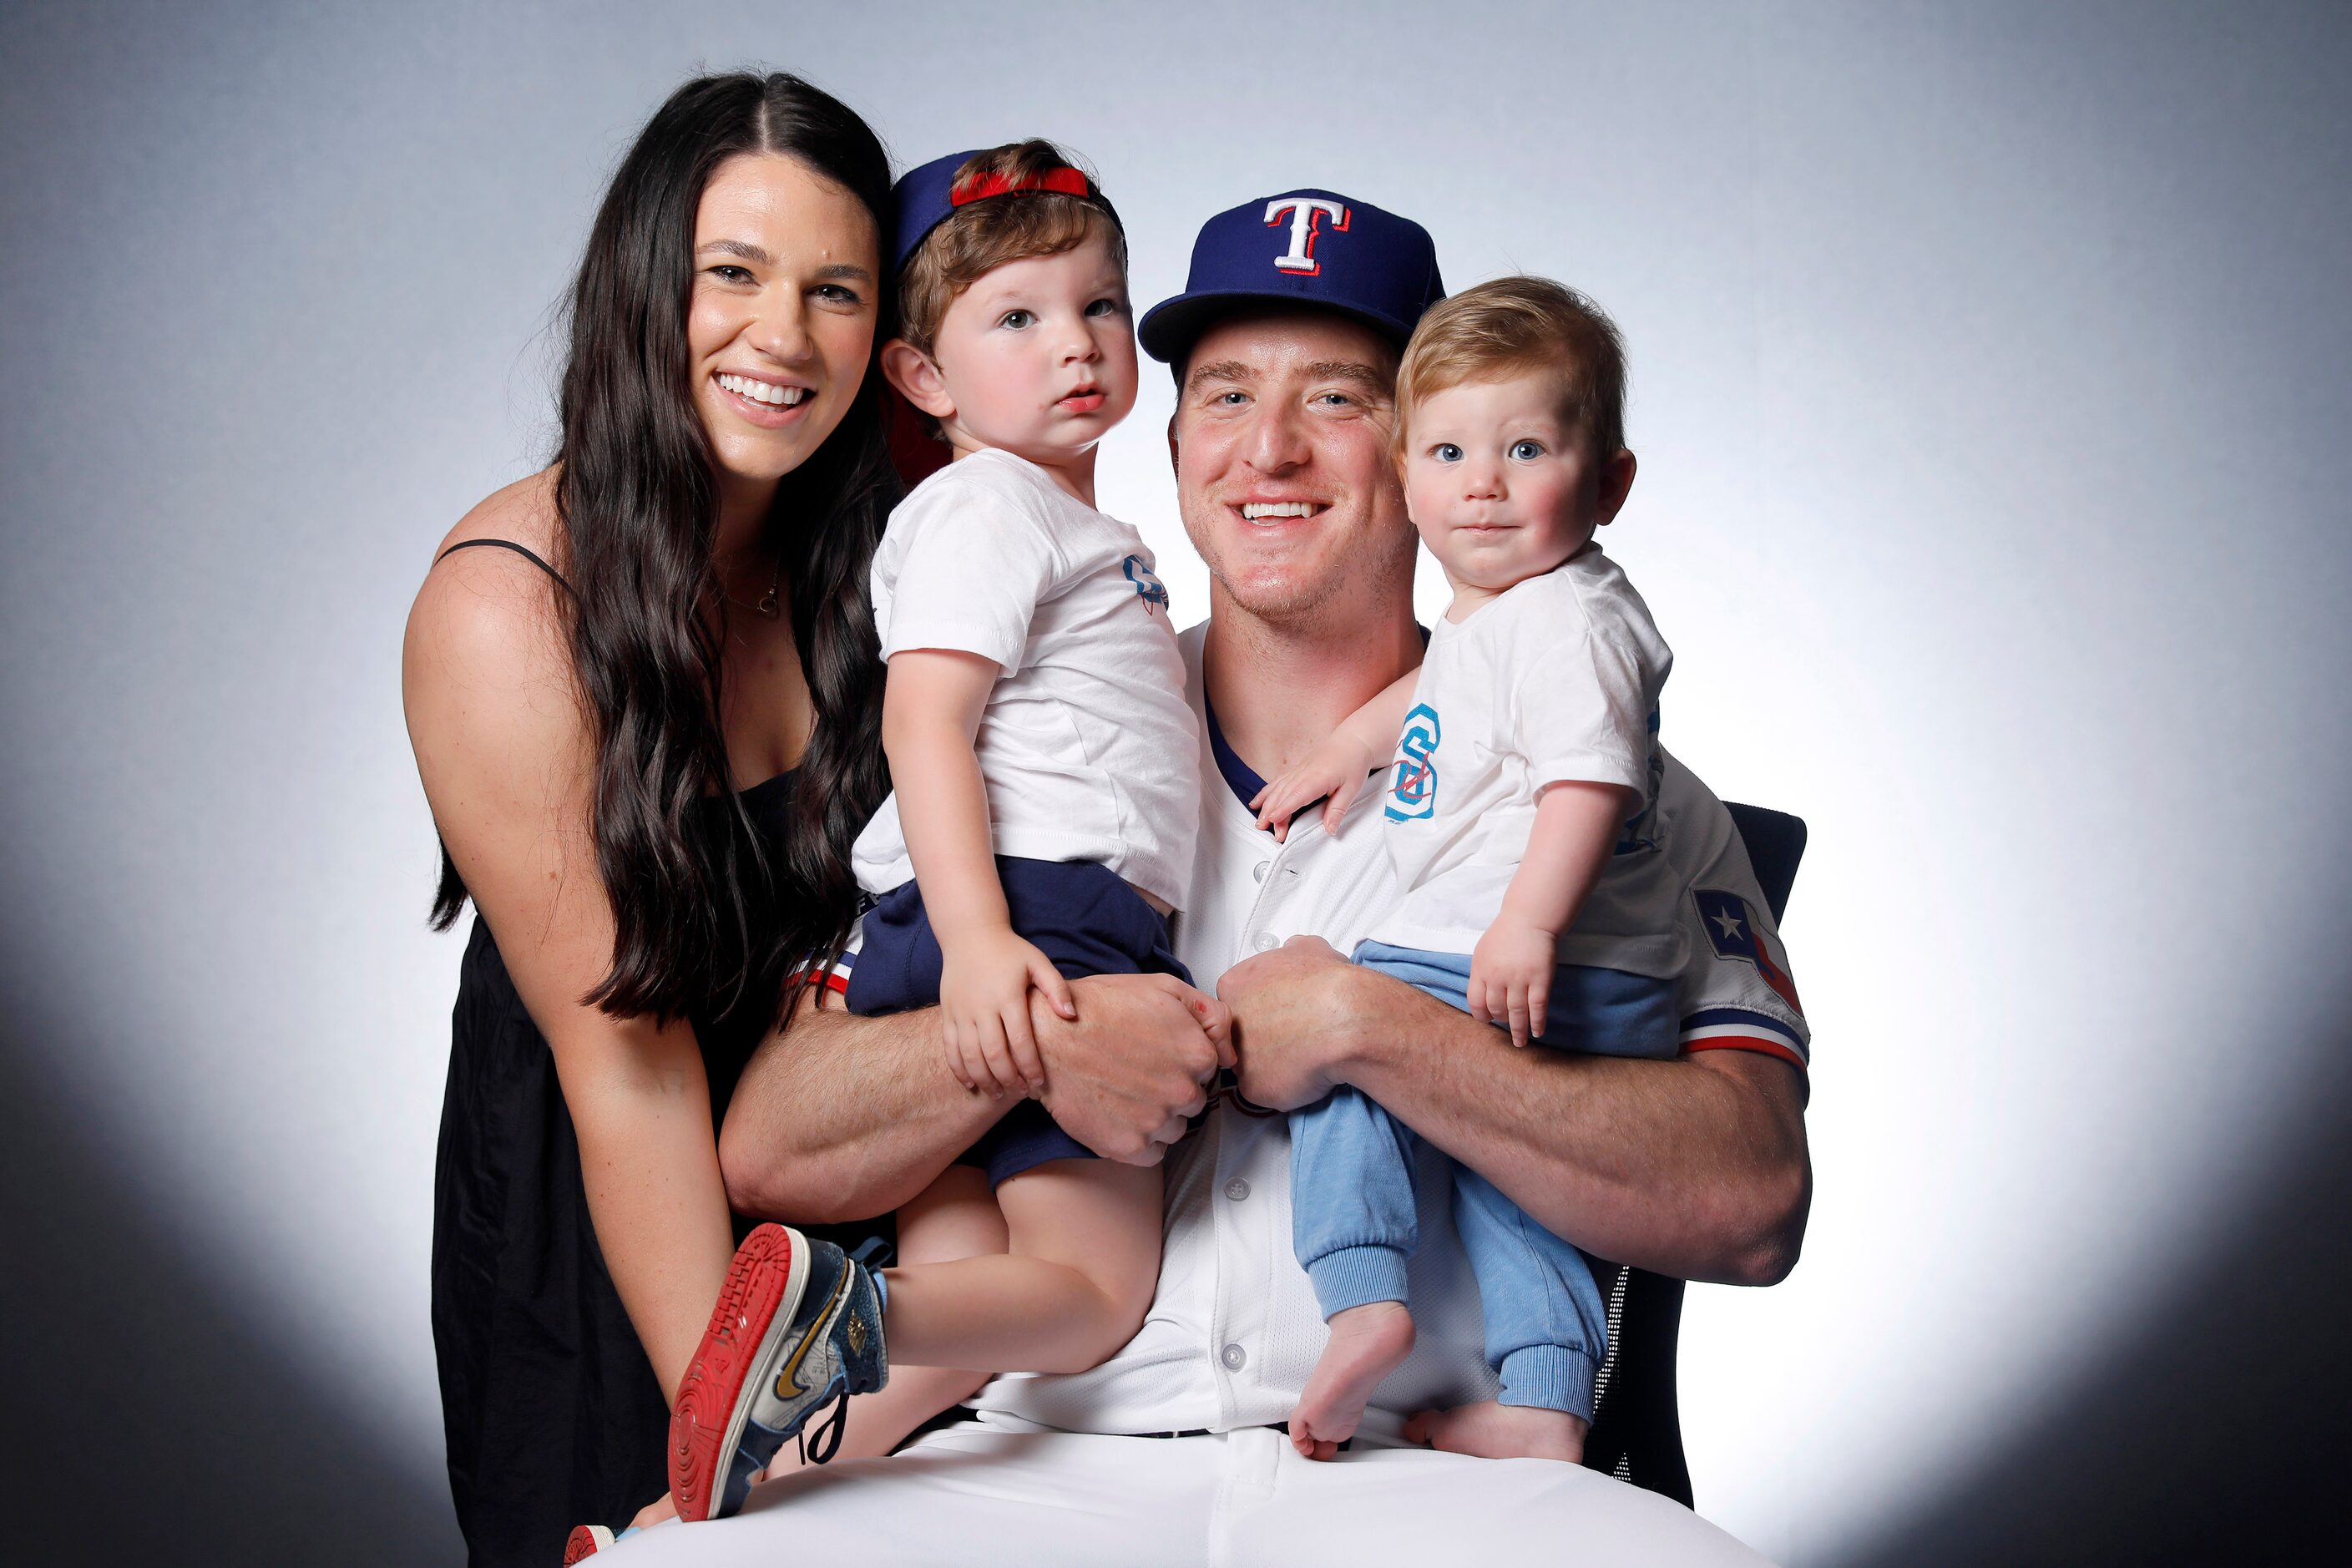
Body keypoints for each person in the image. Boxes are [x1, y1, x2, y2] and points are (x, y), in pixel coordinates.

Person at [616, 187, 1808, 1565]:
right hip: (1028, 1466)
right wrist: (1030, 1042)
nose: (1271, 450)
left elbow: (1753, 1199)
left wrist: (1381, 1030)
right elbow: (772, 1137)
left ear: (1433, 453)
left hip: (1441, 1479)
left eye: (1341, 398)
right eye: (1226, 393)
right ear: (1171, 439)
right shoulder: (1039, 740)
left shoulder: (1613, 791)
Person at [663, 139, 1229, 1527]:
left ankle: (695, 1519)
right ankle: (830, 1302)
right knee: (1089, 1292)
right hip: (1039, 910)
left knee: (969, 1319)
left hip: (955, 915)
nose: (1076, 346)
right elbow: (926, 724)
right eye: (1017, 319)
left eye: (1099, 305)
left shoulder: (1054, 523)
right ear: (923, 377)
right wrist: (984, 947)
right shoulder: (992, 505)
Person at [402, 72, 898, 1566]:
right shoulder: (506, 606)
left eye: (834, 289)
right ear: (642, 288)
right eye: (729, 275)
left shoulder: (885, 548)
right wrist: (739, 1450)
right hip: (619, 1216)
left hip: (843, 1180)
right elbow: (630, 1077)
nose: (782, 337)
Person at [1249, 276, 1683, 1461]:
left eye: (1525, 447)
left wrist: (1525, 925)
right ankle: (1545, 1405)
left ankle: (1362, 1297)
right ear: (1405, 473)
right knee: (1519, 1180)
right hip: (1579, 965)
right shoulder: (1507, 615)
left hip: (1521, 944)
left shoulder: (1570, 623)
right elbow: (1439, 689)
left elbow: (1585, 775)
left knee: (1342, 1039)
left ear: (1608, 484)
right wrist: (1347, 747)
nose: (1481, 482)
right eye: (1447, 450)